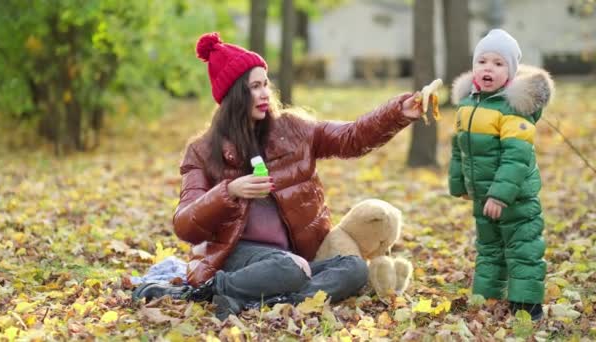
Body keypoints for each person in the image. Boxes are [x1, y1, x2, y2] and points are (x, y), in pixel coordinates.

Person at [133, 32, 422, 320]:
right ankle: (208, 290)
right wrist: (229, 191)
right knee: (288, 267)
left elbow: (352, 137)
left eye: (265, 84)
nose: (264, 94)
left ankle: (261, 300)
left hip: (297, 258)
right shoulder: (202, 151)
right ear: (234, 95)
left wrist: (398, 112)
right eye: (253, 87)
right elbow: (185, 225)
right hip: (237, 257)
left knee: (354, 268)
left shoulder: (294, 129)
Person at [448, 29, 554, 321]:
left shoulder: (512, 109)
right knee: (489, 247)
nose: (488, 68)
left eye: (498, 63)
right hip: (483, 195)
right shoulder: (468, 105)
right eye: (482, 61)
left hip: (515, 198)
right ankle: (487, 297)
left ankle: (527, 305)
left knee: (522, 247)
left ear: (510, 73)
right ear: (473, 67)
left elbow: (516, 158)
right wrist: (459, 183)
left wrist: (500, 194)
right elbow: (459, 148)